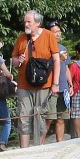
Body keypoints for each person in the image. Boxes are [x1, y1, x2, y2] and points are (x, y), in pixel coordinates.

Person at [10, 11, 61, 148]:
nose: (26, 24)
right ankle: (25, 150)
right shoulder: (21, 37)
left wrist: (55, 84)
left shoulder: (48, 36)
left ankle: (39, 147)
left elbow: (56, 60)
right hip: (24, 84)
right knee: (23, 116)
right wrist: (17, 61)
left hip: (44, 84)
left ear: (38, 23)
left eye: (29, 22)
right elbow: (13, 59)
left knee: (40, 116)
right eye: (25, 21)